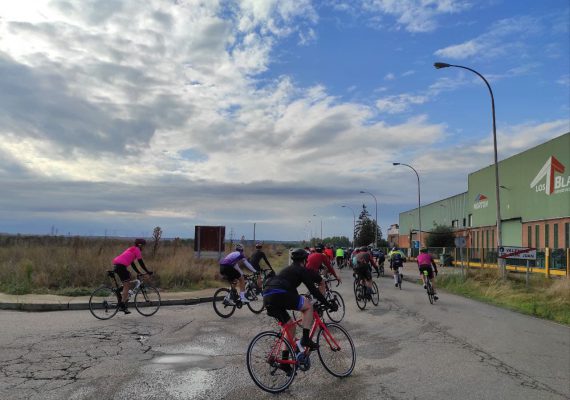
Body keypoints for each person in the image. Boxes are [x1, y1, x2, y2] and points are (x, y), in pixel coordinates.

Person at [263, 248, 337, 375]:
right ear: (304, 260)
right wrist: (327, 303)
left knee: (290, 327)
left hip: (267, 296)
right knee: (308, 306)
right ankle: (306, 339)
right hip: (280, 294)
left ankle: (284, 363)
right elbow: (313, 291)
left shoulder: (288, 270)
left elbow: (291, 288)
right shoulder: (301, 269)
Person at [112, 238, 154, 314]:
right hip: (121, 266)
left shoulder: (132, 249)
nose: (144, 248)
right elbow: (140, 262)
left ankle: (119, 290)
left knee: (129, 276)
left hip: (117, 265)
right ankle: (122, 305)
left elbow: (132, 263)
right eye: (144, 246)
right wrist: (147, 271)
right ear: (140, 245)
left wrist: (138, 272)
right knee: (127, 286)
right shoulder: (137, 250)